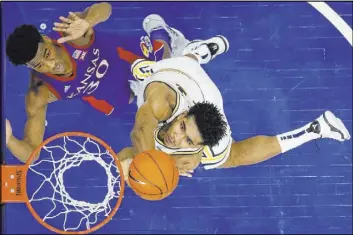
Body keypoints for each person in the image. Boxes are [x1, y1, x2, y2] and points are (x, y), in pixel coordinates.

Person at [117, 19, 351, 178]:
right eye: (181, 127)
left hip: (205, 93)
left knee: (232, 156)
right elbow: (141, 130)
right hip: (174, 72)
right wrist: (149, 166)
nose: (176, 137)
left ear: (199, 146)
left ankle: (316, 128)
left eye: (188, 141)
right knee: (161, 64)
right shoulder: (162, 101)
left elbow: (133, 153)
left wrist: (193, 155)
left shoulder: (199, 137)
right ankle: (196, 50)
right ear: (181, 115)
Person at [4, 3, 216, 163]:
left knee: (163, 57)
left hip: (122, 56)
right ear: (31, 68)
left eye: (47, 54)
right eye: (40, 65)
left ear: (47, 40)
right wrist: (9, 139)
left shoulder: (70, 33)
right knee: (138, 104)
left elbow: (104, 7)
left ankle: (161, 31)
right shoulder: (39, 93)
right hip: (105, 93)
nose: (51, 65)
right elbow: (32, 153)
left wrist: (88, 21)